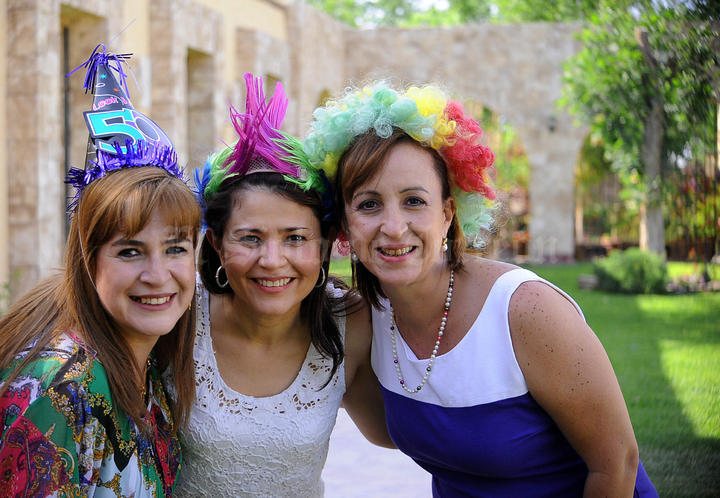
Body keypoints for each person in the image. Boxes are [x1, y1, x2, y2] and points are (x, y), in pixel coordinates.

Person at [285, 81, 659, 497]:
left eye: (413, 201)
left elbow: (617, 463)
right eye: (369, 204)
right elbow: (383, 432)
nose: (393, 227)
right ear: (345, 223)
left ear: (447, 213)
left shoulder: (525, 310)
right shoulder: (365, 319)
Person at [171, 74, 391, 497]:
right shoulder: (178, 317)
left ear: (324, 244)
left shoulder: (352, 323)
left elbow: (400, 434)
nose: (272, 261)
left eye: (295, 238)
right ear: (216, 243)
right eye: (250, 238)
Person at [0, 45, 199, 496]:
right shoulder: (60, 391)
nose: (157, 274)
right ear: (87, 261)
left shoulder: (144, 365)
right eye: (129, 251)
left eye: (175, 248)